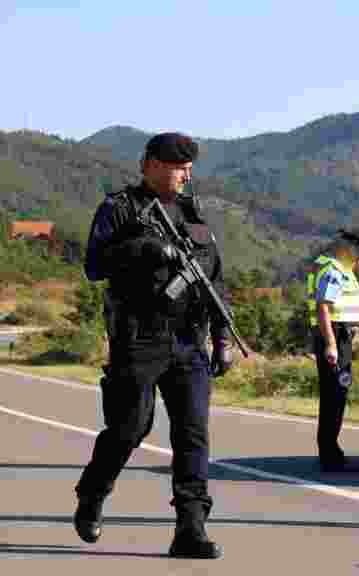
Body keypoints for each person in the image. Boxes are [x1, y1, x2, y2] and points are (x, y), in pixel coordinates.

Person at [73, 132, 233, 559]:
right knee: (130, 427)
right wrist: (144, 247)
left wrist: (221, 340)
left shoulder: (192, 212)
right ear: (150, 163)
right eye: (177, 165)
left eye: (188, 167)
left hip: (189, 341)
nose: (186, 173)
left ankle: (191, 528)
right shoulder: (120, 208)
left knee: (193, 436)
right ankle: (93, 492)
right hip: (139, 337)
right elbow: (94, 265)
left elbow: (214, 280)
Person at [306, 229, 359, 472]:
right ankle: (330, 454)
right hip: (334, 336)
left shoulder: (341, 269)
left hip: (339, 336)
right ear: (347, 249)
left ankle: (331, 451)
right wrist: (332, 344)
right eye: (358, 252)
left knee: (336, 394)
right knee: (335, 395)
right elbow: (324, 308)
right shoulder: (334, 270)